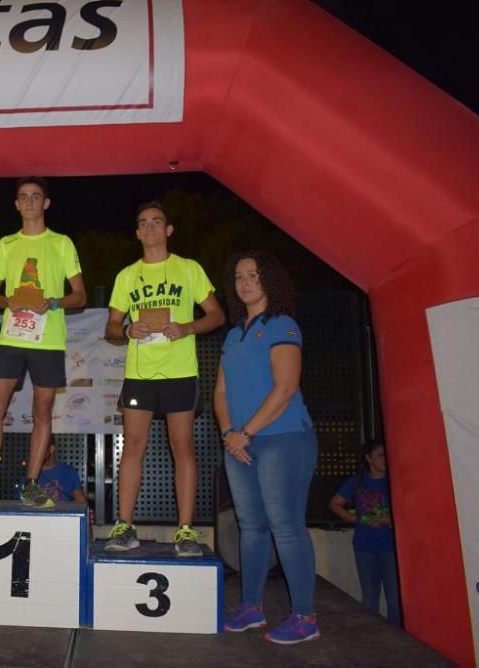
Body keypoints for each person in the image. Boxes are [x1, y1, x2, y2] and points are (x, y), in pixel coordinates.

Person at [104, 201, 224, 556]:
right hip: (139, 373)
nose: (151, 228)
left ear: (169, 230)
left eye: (158, 222)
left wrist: (187, 327)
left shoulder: (189, 269)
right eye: (144, 223)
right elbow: (110, 326)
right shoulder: (127, 276)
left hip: (179, 371)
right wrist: (127, 329)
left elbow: (216, 315)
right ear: (138, 233)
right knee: (133, 446)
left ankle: (185, 531)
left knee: (182, 447)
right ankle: (125, 526)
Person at [213, 250, 320, 644]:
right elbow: (221, 391)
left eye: (253, 275)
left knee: (286, 528)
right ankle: (252, 608)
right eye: (239, 276)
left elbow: (286, 386)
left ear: (269, 280)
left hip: (283, 440)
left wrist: (247, 432)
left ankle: (305, 617)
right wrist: (229, 433)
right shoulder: (233, 333)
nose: (245, 283)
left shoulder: (282, 324)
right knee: (251, 528)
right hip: (239, 444)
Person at [0, 176, 86, 509]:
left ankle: (32, 484)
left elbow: (80, 295)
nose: (30, 202)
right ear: (16, 204)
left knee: (42, 411)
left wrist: (54, 303)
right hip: (12, 337)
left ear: (45, 203)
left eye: (36, 197)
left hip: (48, 341)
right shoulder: (6, 245)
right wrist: (8, 302)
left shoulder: (61, 243)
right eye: (23, 197)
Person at [330, 442, 401, 626]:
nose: (385, 459)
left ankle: (398, 637)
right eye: (380, 455)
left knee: (395, 598)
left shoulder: (395, 481)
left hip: (392, 546)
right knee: (370, 595)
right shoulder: (357, 482)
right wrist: (352, 518)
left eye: (387, 454)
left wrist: (391, 518)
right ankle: (372, 635)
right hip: (364, 545)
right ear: (368, 458)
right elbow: (335, 503)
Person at [22, 439, 87, 504]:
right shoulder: (30, 474)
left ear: (52, 448)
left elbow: (81, 503)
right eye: (35, 449)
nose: (37, 452)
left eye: (41, 448)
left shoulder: (69, 472)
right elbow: (23, 505)